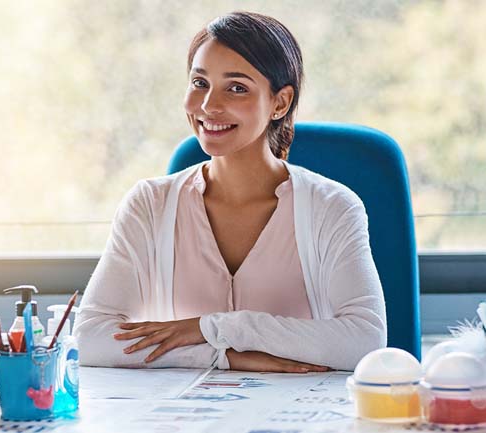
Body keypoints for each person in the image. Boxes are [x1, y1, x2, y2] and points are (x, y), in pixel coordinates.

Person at [73, 11, 386, 372]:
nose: (209, 106)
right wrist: (223, 356)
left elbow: (365, 342)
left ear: (280, 103)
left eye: (236, 88)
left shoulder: (333, 208)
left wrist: (215, 328)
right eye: (200, 83)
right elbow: (90, 338)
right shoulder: (149, 205)